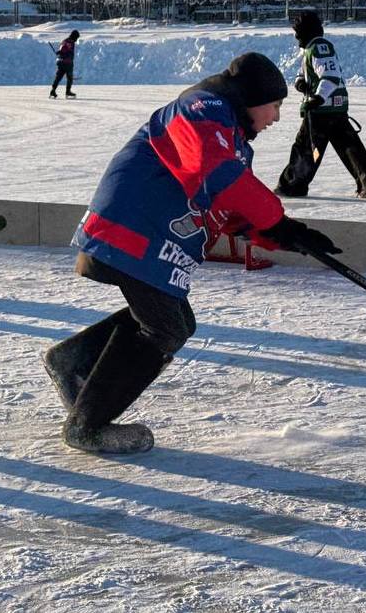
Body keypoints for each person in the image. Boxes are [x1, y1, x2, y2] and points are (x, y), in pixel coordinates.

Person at [43, 52, 341, 454]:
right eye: (274, 106)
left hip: (150, 238)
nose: (276, 117)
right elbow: (217, 172)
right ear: (252, 98)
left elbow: (227, 206)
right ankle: (87, 425)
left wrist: (288, 237)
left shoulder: (232, 137)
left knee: (176, 320)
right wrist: (278, 221)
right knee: (166, 328)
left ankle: (75, 363)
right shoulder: (202, 108)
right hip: (133, 229)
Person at [276, 10, 366, 199]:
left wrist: (318, 98)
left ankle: (293, 185)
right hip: (336, 107)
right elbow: (312, 73)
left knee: (307, 147)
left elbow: (330, 76)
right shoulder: (312, 50)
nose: (296, 36)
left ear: (306, 31)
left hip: (321, 110)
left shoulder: (318, 48)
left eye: (298, 31)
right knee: (348, 145)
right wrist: (301, 81)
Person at [49, 29, 80, 98]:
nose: (76, 39)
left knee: (58, 77)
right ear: (74, 36)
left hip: (61, 62)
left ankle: (53, 91)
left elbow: (61, 50)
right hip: (67, 63)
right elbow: (65, 51)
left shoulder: (65, 40)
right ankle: (68, 92)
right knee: (69, 78)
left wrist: (59, 53)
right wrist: (65, 55)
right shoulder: (70, 42)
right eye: (77, 37)